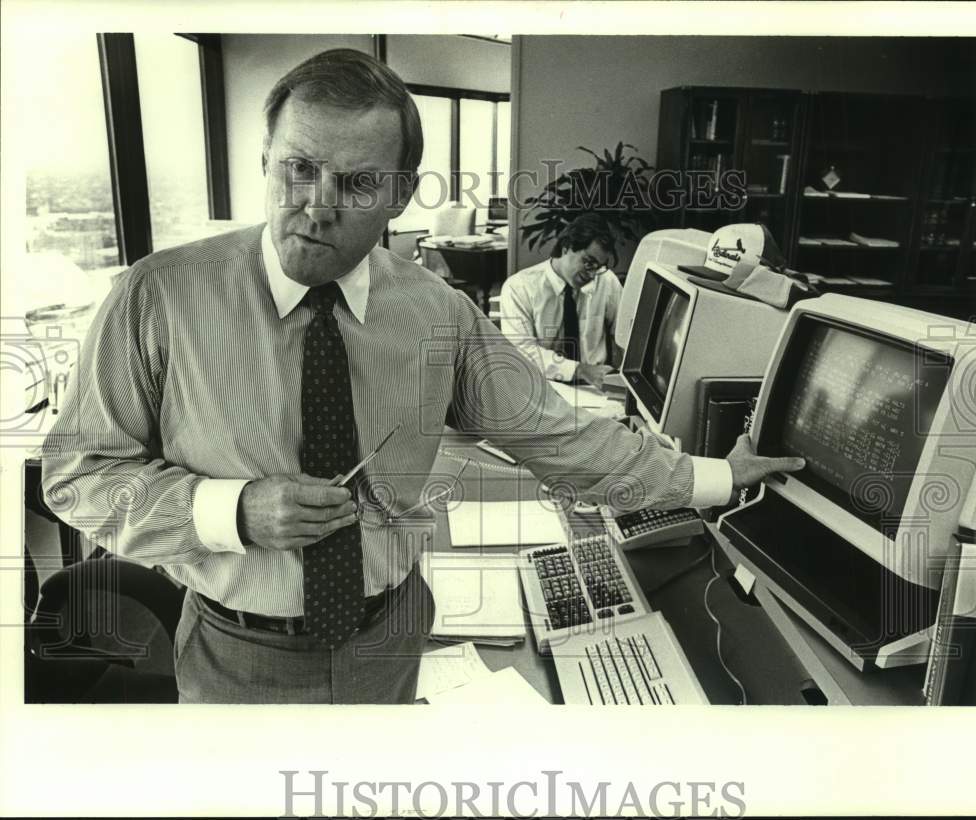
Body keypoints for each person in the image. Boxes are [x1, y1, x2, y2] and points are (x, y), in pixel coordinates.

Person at [41, 48, 803, 704]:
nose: (317, 206)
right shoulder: (157, 295)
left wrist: (717, 477)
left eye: (358, 183)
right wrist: (229, 510)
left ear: (400, 196)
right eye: (298, 169)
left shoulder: (440, 314)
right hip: (238, 654)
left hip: (390, 638)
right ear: (264, 163)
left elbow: (559, 435)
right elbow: (77, 474)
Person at [500, 214, 621, 387]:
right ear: (566, 247)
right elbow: (522, 352)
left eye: (598, 267)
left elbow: (624, 335)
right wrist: (580, 369)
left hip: (595, 389)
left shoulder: (607, 281)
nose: (593, 275)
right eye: (588, 263)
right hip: (542, 386)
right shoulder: (519, 288)